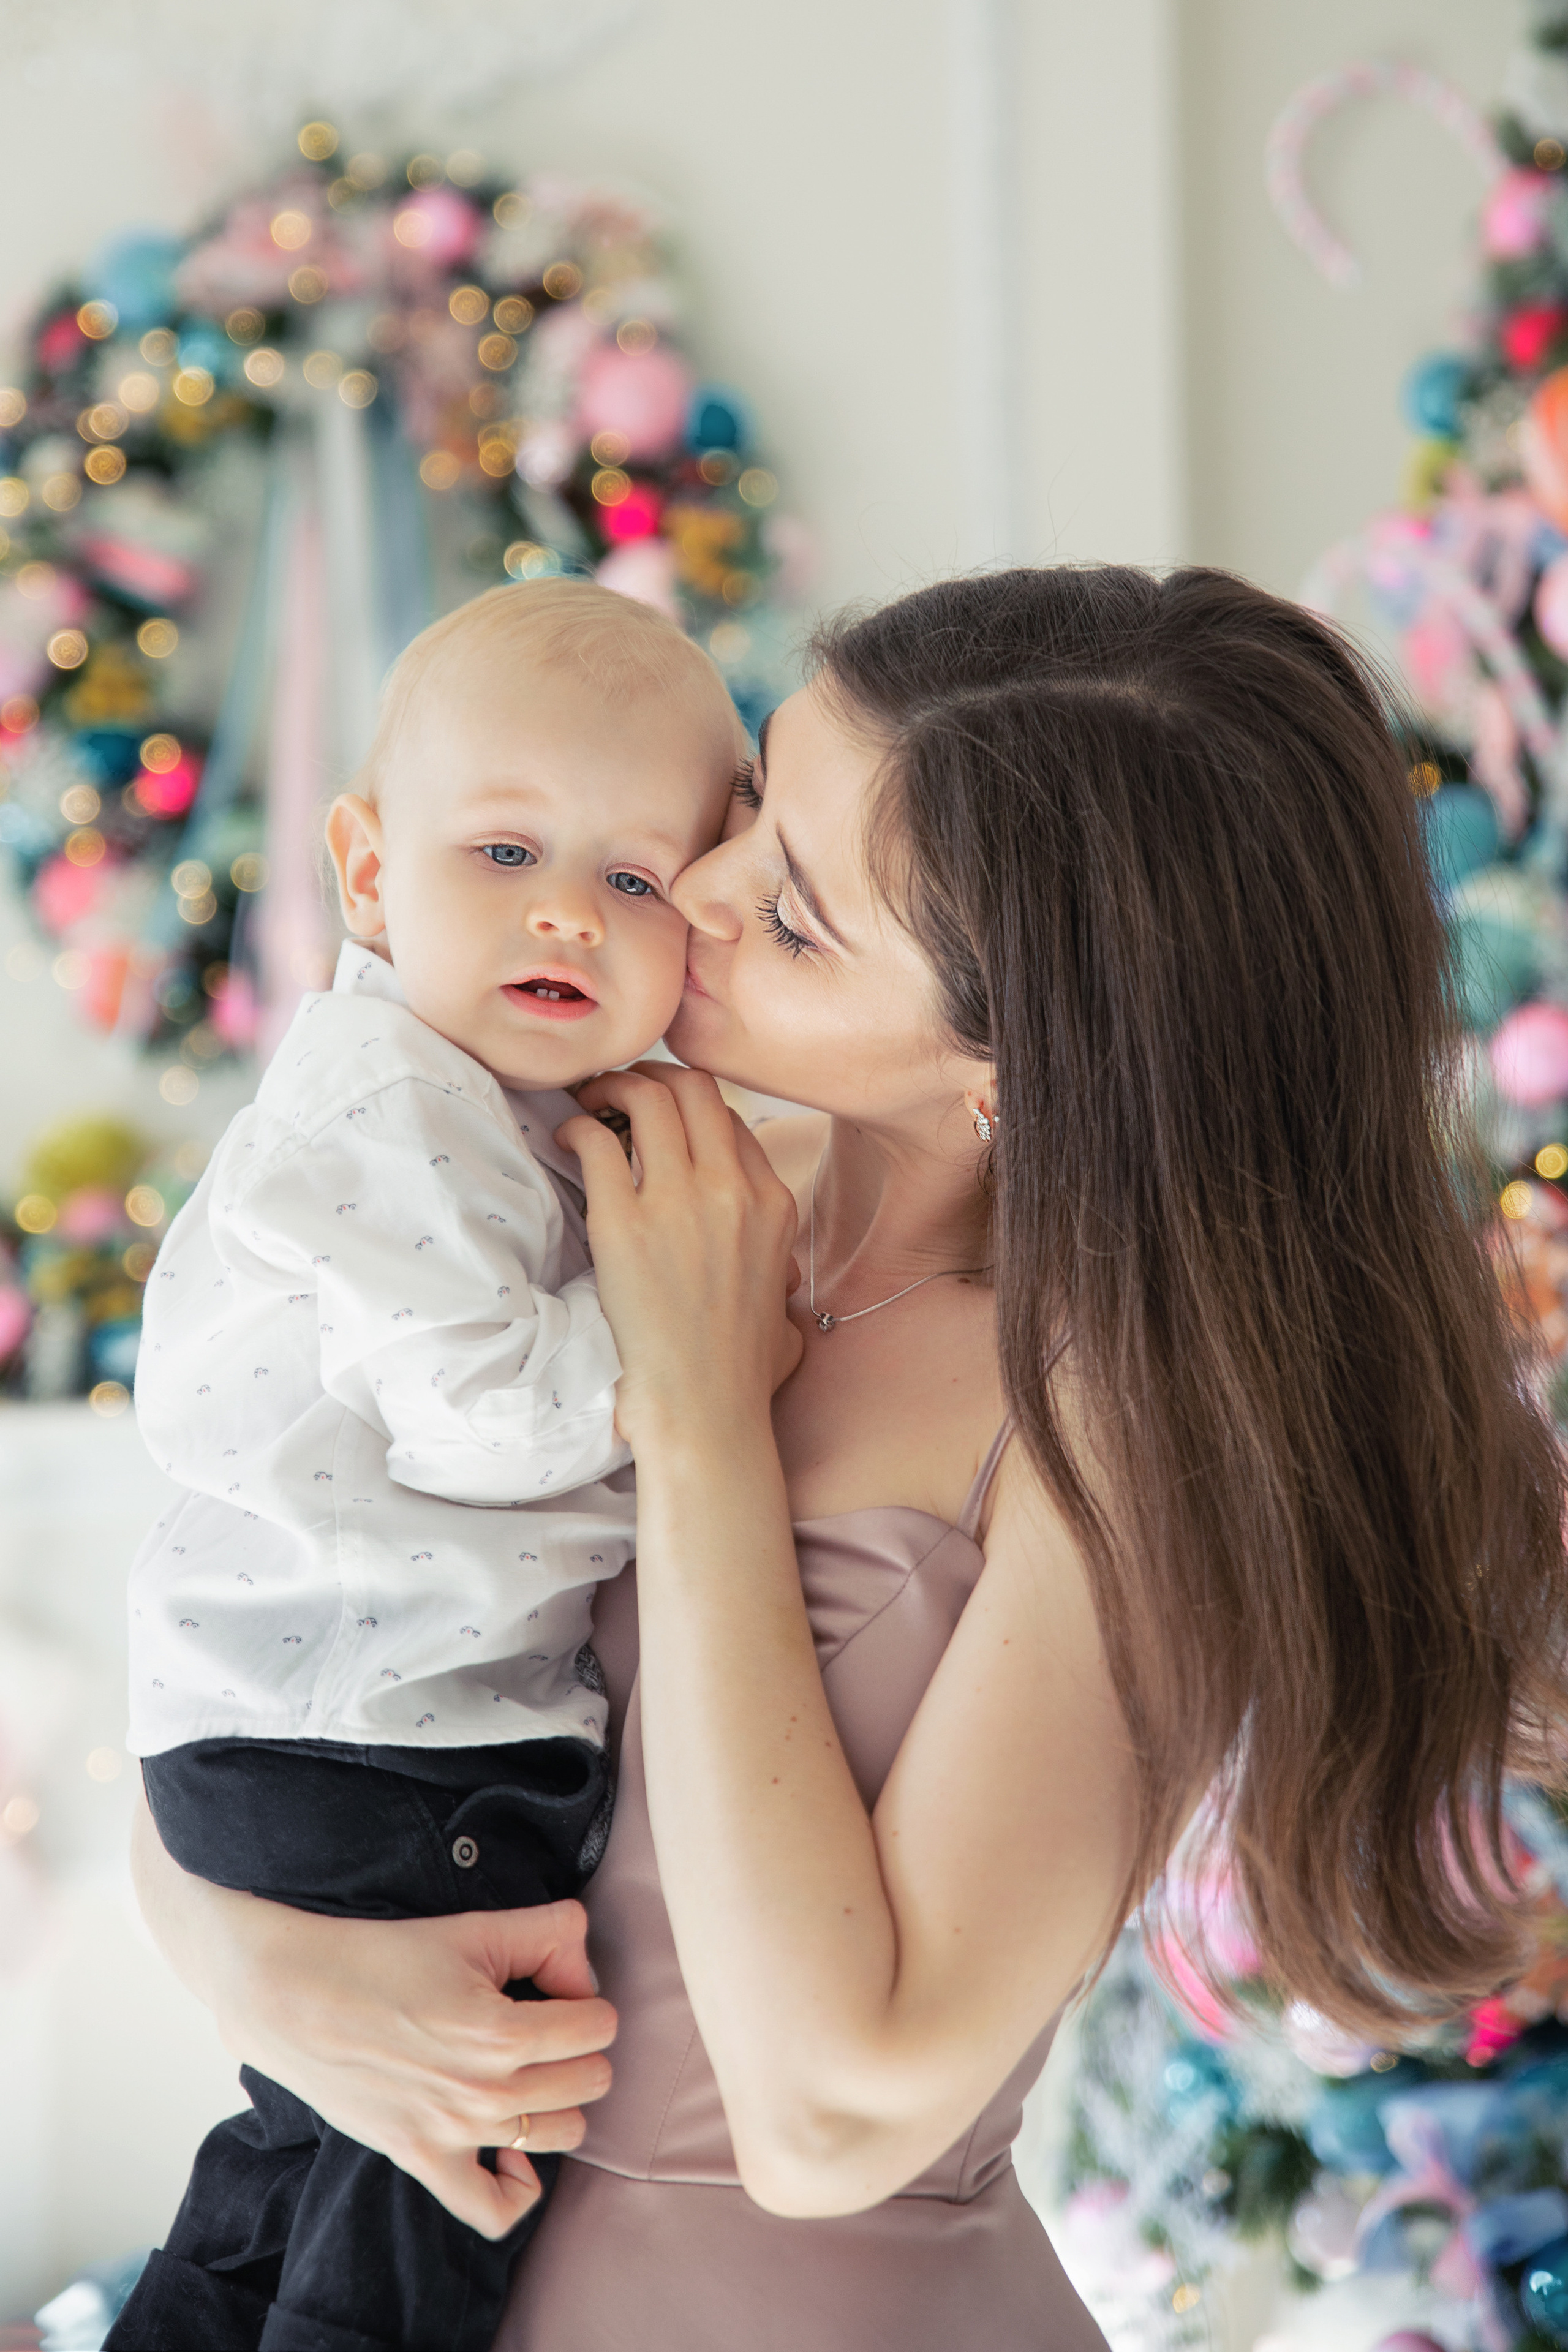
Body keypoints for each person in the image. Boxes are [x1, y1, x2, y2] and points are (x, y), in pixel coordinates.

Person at [129, 568, 1568, 2352]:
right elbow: (263, 1613)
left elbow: (833, 2113)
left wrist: (704, 1424)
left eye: (793, 915)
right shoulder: (641, 1178)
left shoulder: (1123, 1416)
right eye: (749, 806)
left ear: (1022, 1065)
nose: (691, 892)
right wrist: (265, 1964)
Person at [107, 580, 782, 2352]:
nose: (569, 905)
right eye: (504, 850)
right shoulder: (390, 1112)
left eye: (637, 879)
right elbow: (491, 1420)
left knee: (307, 2151)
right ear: (369, 869)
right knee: (446, 2174)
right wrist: (707, 1355)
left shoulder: (500, 1101)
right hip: (378, 1745)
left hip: (320, 1731)